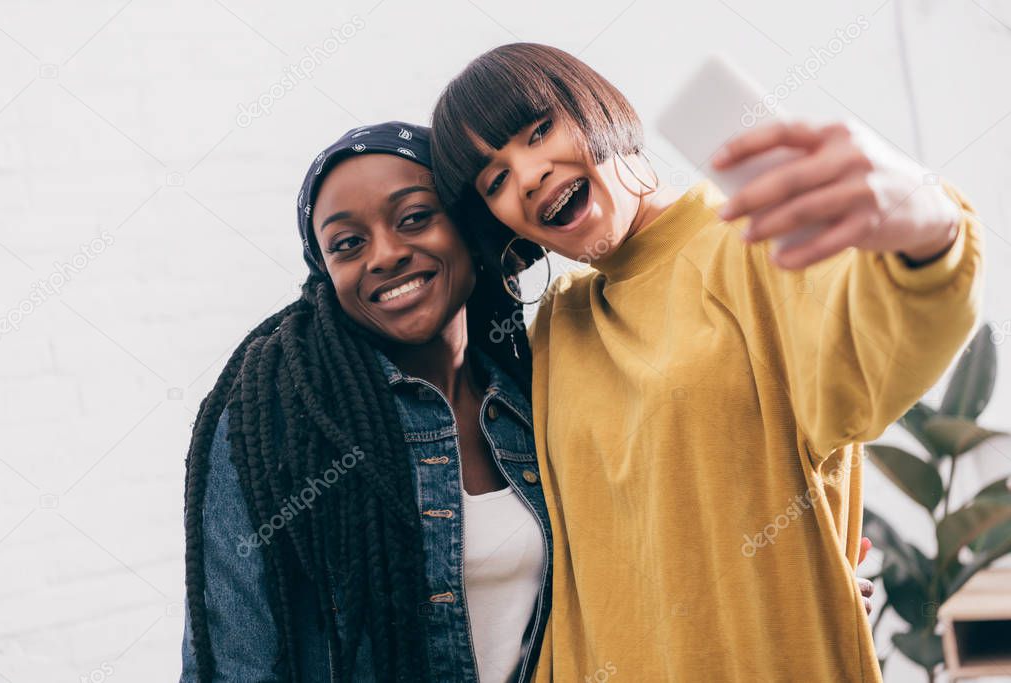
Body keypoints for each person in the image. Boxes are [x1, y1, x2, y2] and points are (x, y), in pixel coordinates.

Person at [429, 43, 982, 681]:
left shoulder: (751, 242)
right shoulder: (559, 323)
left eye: (539, 130)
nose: (527, 176)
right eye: (495, 180)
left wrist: (925, 225)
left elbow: (887, 337)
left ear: (596, 105)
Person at [179, 122, 552, 683]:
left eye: (414, 217)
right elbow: (235, 663)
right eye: (347, 243)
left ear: (470, 227)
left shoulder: (533, 394)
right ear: (325, 275)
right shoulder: (276, 430)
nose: (385, 255)